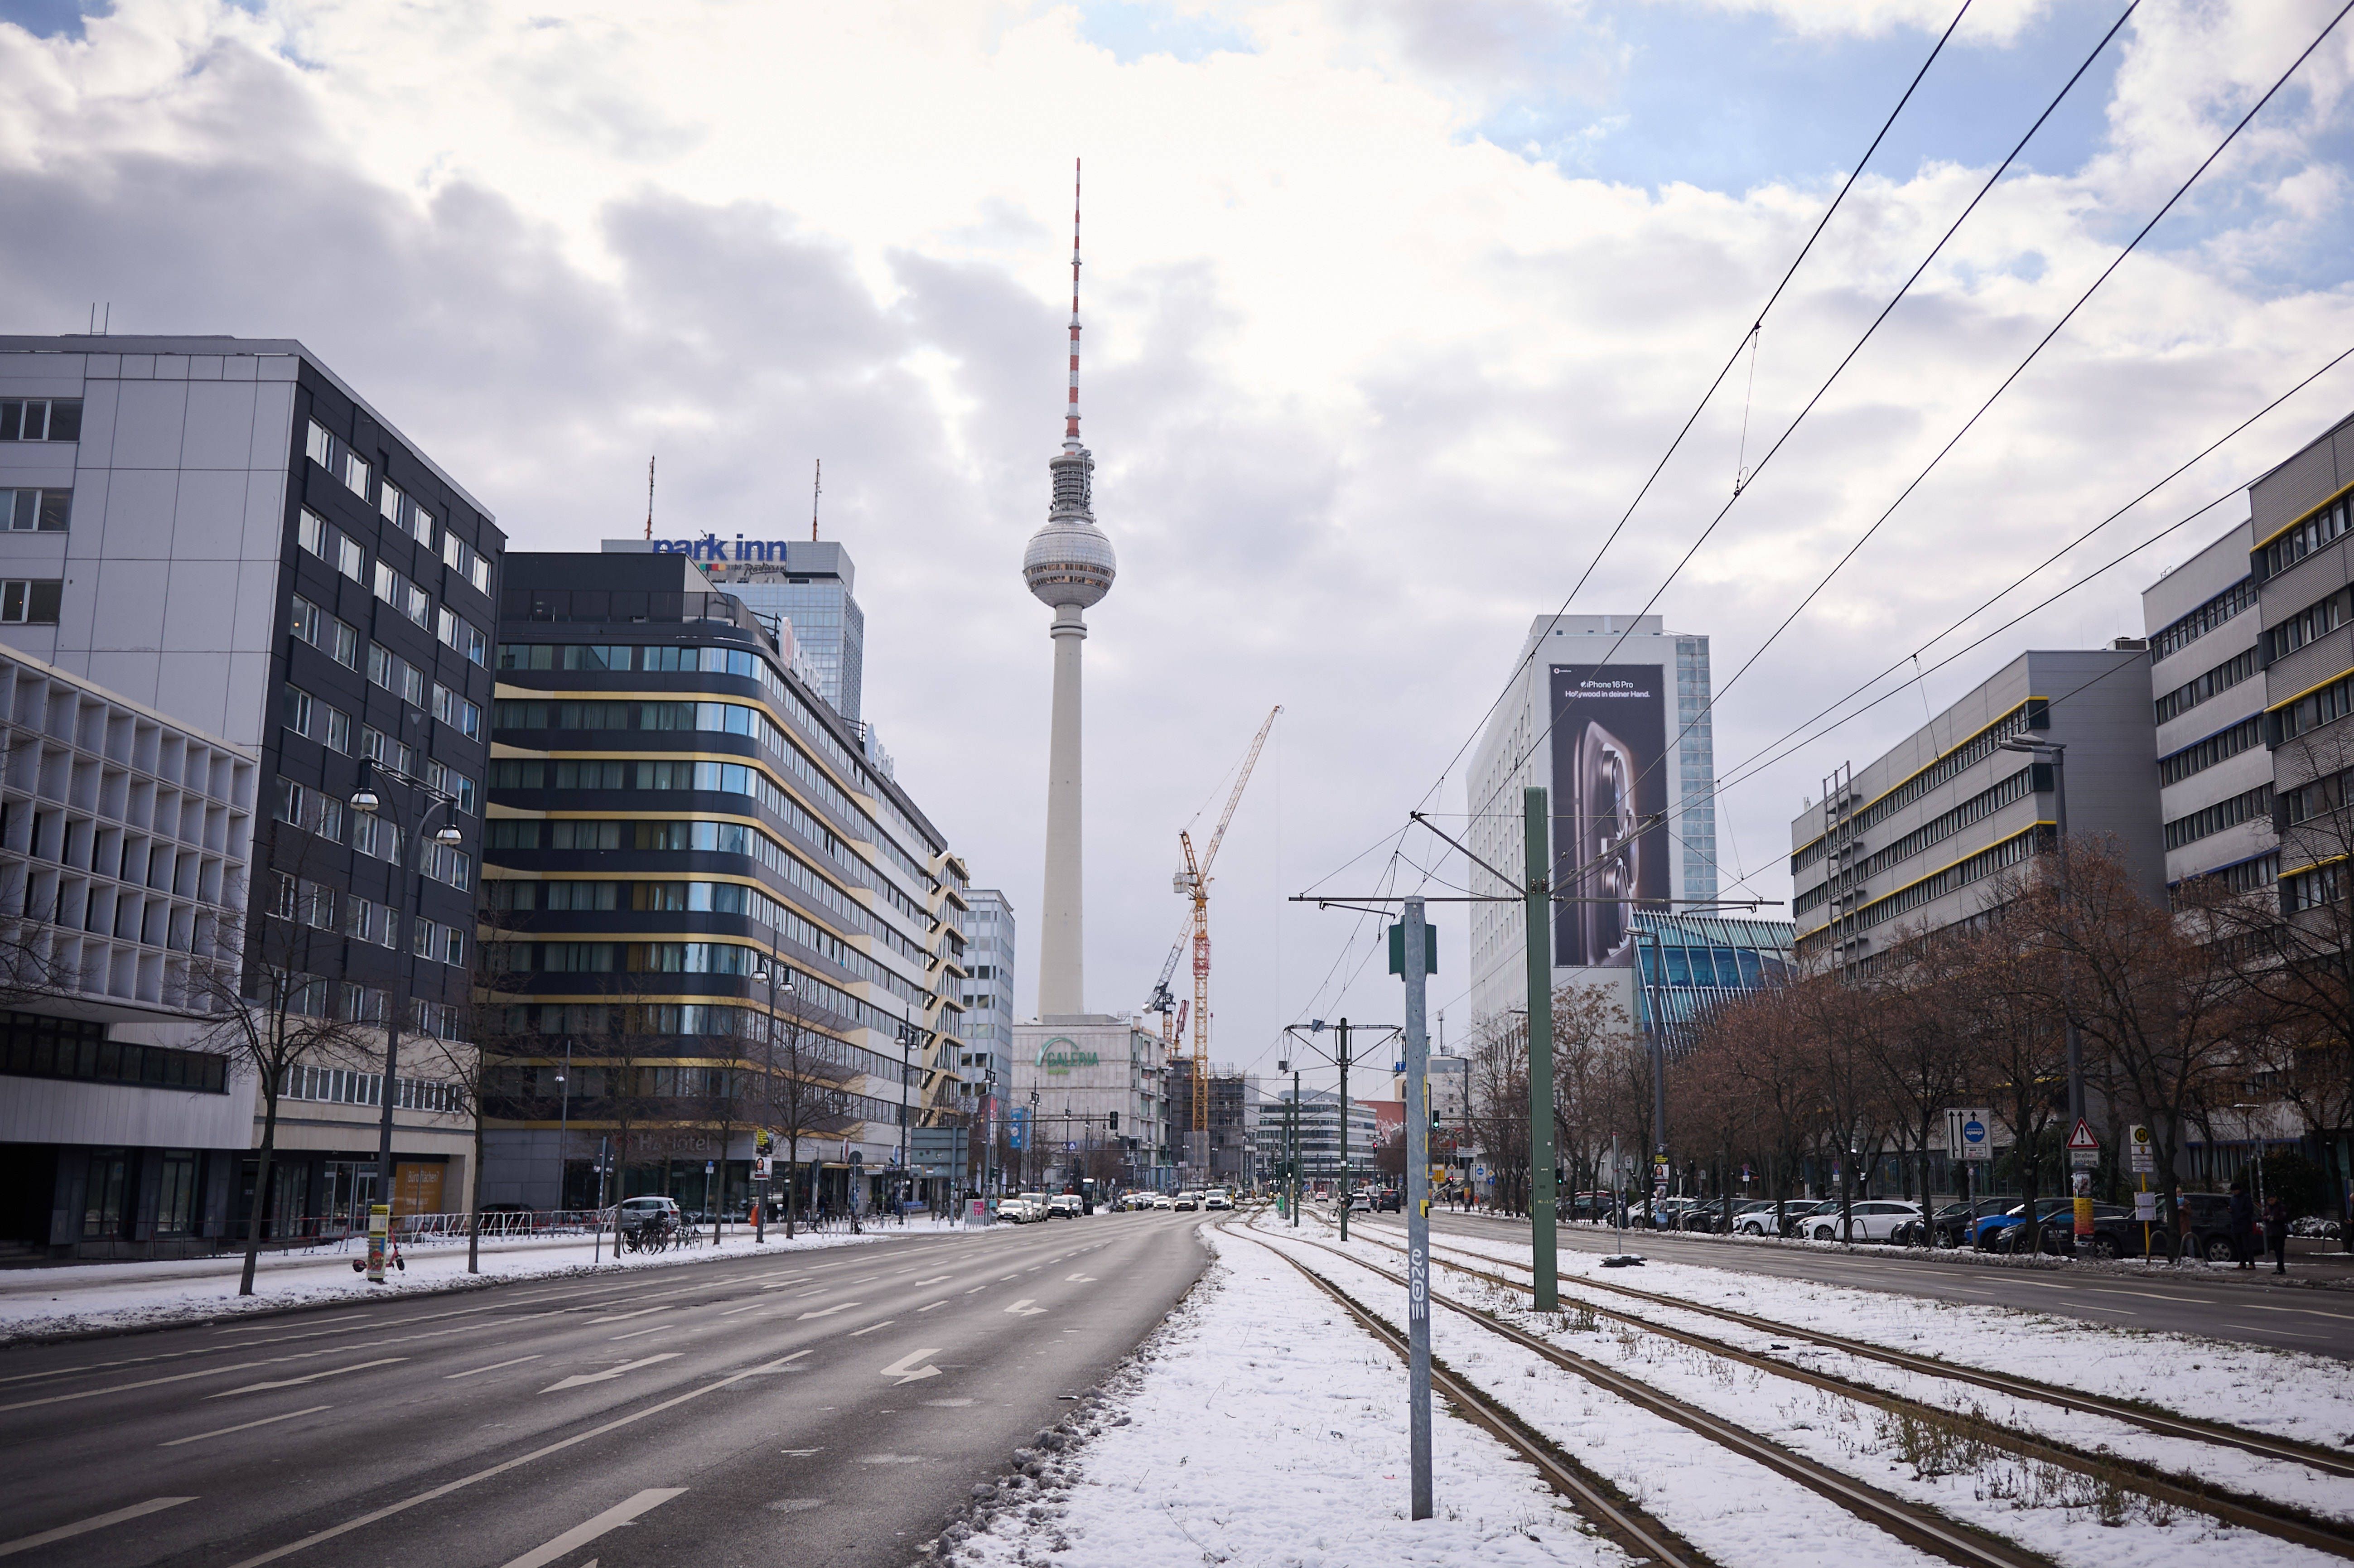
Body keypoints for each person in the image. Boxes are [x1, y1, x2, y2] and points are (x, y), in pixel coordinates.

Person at [2228, 1181, 2255, 1270]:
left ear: (2239, 1190)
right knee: (2238, 1245)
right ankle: (2242, 1262)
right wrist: (2230, 1210)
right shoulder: (2233, 1198)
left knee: (2247, 1245)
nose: (2234, 1193)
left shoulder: (2246, 1197)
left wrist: (2240, 1215)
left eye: (2235, 1191)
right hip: (2235, 1224)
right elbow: (2232, 1207)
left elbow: (2250, 1210)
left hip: (2244, 1224)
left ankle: (2251, 1263)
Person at [2267, 1193, 2291, 1275]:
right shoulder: (2269, 1208)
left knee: (2280, 1250)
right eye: (2269, 1200)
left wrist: (2275, 1219)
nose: (2271, 1202)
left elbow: (2284, 1217)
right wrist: (2267, 1218)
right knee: (2276, 1251)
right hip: (2272, 1231)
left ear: (2276, 1199)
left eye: (2272, 1200)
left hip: (2280, 1231)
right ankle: (2279, 1268)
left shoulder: (2281, 1207)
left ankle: (2281, 1268)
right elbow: (2264, 1216)